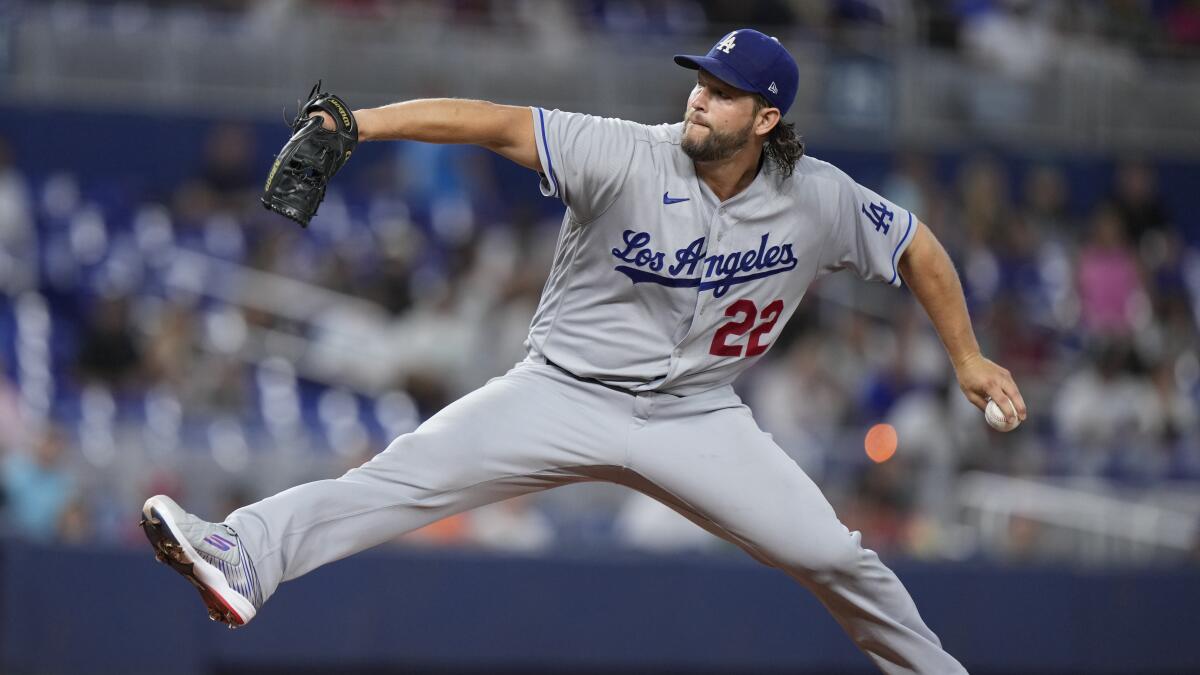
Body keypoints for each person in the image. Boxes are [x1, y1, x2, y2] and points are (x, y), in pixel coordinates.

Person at [142, 29, 1026, 674]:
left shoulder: (819, 197)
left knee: (835, 556)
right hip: (563, 392)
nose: (697, 96)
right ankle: (245, 553)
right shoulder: (627, 153)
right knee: (396, 478)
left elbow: (915, 244)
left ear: (766, 116)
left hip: (698, 416)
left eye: (720, 90)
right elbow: (492, 123)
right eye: (698, 82)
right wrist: (361, 125)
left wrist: (968, 357)